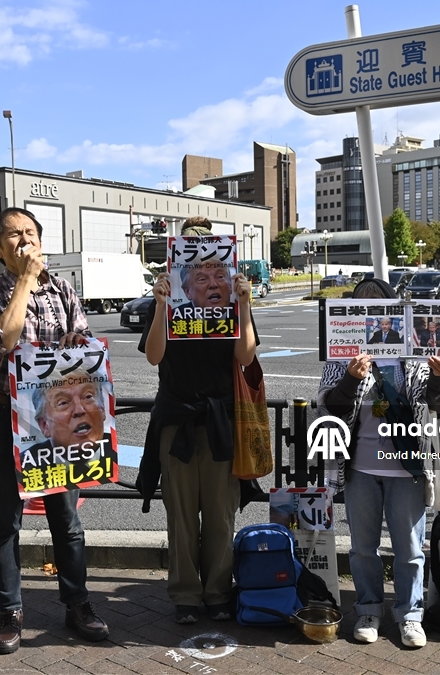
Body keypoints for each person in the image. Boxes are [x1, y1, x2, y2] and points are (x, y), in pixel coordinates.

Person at [0, 208, 109, 653]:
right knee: (6, 519)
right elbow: (3, 339)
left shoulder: (64, 288)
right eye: (14, 235)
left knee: (66, 519)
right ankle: (9, 611)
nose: (25, 240)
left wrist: (76, 345)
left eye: (30, 232)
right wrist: (26, 281)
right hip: (6, 416)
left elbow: (85, 341)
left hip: (58, 421)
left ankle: (78, 604)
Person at [317, 277, 440, 648]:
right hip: (360, 466)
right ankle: (368, 609)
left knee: (410, 549)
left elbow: (435, 403)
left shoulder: (414, 352)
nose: (374, 316)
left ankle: (410, 615)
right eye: (363, 307)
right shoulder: (341, 352)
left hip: (406, 465)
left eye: (381, 309)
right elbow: (329, 406)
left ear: (393, 314)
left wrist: (439, 378)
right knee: (363, 548)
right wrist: (349, 378)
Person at [137, 216, 258, 625]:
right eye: (199, 274)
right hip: (177, 422)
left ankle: (218, 591)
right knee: (183, 516)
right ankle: (187, 593)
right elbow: (153, 355)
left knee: (222, 514)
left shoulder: (234, 303)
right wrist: (159, 305)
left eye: (217, 272)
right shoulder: (168, 303)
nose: (210, 281)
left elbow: (245, 357)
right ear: (182, 281)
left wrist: (244, 304)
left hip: (221, 422)